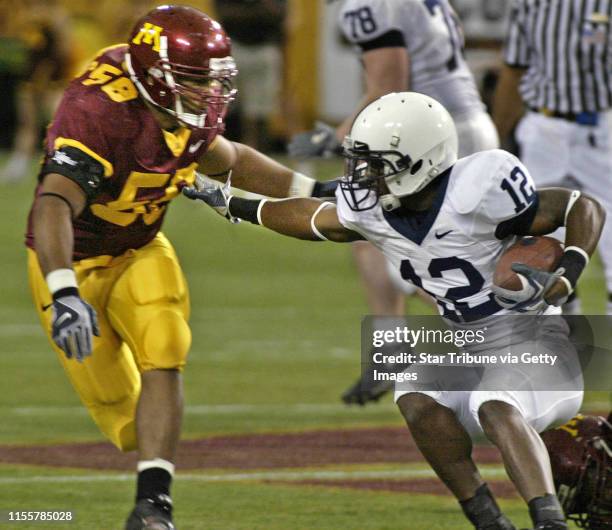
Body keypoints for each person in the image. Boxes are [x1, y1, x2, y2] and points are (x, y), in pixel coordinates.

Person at [185, 91, 605, 530]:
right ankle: (487, 519)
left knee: (494, 401)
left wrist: (568, 271)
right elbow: (310, 217)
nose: (366, 175)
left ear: (419, 162)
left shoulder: (479, 191)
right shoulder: (376, 209)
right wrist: (233, 204)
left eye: (378, 163)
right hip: (474, 350)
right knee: (414, 390)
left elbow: (580, 206)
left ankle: (548, 523)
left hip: (543, 350)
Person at [25, 5, 333, 529]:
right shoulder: (99, 110)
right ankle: (145, 473)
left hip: (141, 246)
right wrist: (64, 291)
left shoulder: (183, 109)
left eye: (213, 81)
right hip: (74, 260)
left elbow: (229, 158)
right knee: (126, 424)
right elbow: (53, 203)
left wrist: (316, 190)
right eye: (195, 82)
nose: (209, 94)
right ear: (156, 80)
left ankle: (153, 506)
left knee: (167, 344)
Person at [288, 0, 500, 405]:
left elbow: (390, 86)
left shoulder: (367, 5)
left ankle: (495, 342)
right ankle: (392, 349)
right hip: (458, 125)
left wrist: (336, 137)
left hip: (435, 135)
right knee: (366, 230)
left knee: (420, 251)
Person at [493, 0, 612, 316]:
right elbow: (514, 70)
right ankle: (560, 350)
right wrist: (495, 143)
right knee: (539, 254)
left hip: (603, 129)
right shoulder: (529, 3)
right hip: (542, 131)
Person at [213, 0, 286, 150]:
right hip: (233, 46)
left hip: (264, 48)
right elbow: (225, 14)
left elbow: (278, 14)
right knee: (222, 104)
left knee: (259, 111)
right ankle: (220, 150)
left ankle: (255, 151)